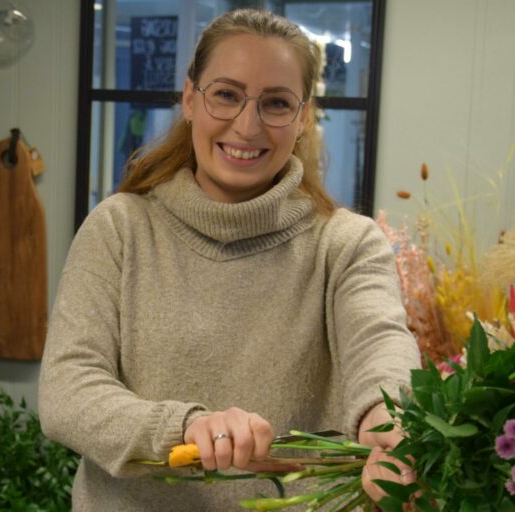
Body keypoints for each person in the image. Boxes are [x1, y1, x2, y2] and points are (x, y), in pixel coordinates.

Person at [39, 8, 420, 511]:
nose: (247, 125)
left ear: (303, 116)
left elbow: (380, 344)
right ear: (190, 98)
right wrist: (187, 428)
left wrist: (386, 420)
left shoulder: (346, 244)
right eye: (226, 95)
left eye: (277, 103)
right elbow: (68, 391)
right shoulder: (120, 229)